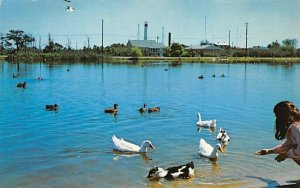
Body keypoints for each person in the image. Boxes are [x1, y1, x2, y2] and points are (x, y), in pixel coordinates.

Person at [256, 101, 300, 165]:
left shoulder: (295, 128)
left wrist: (285, 155)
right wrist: (269, 151)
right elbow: (288, 144)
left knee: (291, 151)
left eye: (276, 115)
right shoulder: (295, 126)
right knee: (291, 149)